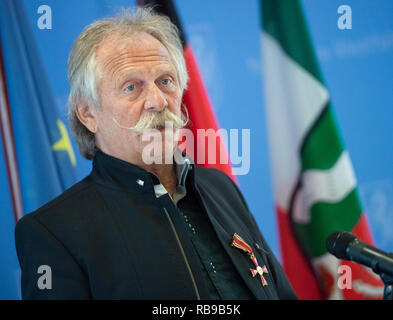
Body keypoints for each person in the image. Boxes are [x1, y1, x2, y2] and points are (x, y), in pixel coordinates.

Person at [15, 7, 297, 300]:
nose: (157, 101)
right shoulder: (54, 232)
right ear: (88, 114)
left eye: (165, 81)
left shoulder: (220, 187)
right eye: (131, 87)